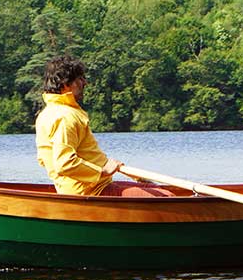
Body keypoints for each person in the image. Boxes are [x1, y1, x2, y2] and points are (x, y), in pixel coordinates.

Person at [35, 55, 173, 197]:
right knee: (166, 197)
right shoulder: (65, 117)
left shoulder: (49, 113)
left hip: (96, 185)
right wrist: (102, 171)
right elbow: (64, 164)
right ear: (65, 84)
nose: (85, 83)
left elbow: (46, 159)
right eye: (80, 79)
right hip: (89, 191)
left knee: (161, 191)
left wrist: (108, 165)